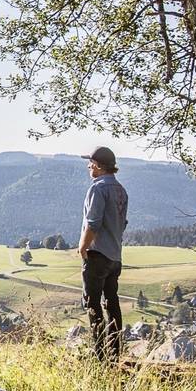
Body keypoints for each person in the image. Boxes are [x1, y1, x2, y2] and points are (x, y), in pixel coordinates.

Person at [78, 147, 129, 362]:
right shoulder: (121, 190)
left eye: (90, 162)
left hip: (97, 254)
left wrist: (82, 247)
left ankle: (99, 354)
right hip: (115, 256)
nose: (88, 166)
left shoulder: (97, 189)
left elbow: (93, 223)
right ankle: (115, 352)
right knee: (112, 303)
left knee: (92, 303)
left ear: (98, 165)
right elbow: (122, 223)